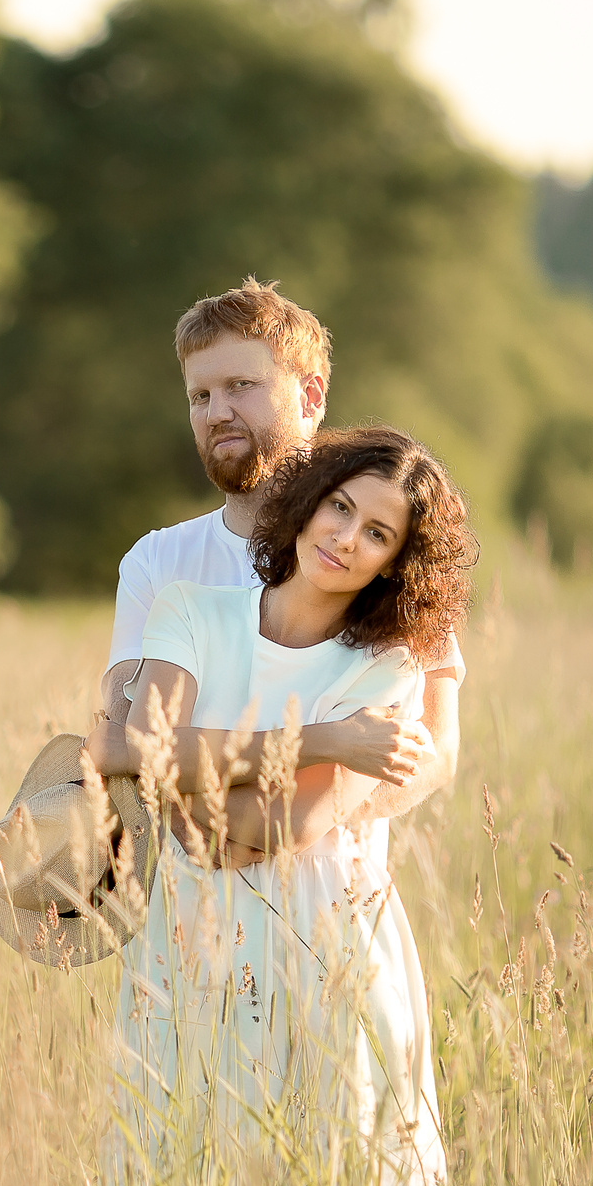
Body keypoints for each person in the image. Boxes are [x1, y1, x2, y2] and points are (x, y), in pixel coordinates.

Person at [90, 423, 477, 1186]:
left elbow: (290, 823)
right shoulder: (190, 610)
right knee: (180, 1185)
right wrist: (323, 739)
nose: (345, 537)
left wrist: (184, 779)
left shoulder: (390, 663)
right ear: (305, 503)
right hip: (189, 934)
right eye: (339, 507)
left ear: (395, 562)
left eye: (377, 533)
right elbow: (141, 748)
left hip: (323, 936)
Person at [83, 279, 462, 864]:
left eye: (241, 386)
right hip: (184, 918)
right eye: (200, 395)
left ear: (311, 397)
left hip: (327, 906)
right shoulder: (157, 562)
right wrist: (261, 803)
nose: (217, 413)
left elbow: (434, 753)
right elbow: (124, 740)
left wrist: (287, 829)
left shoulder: (382, 563)